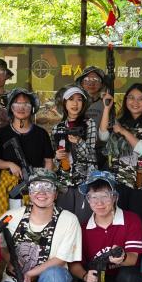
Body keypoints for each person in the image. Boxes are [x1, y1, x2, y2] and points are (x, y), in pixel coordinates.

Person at [99, 83, 142, 225]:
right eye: (131, 98)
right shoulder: (120, 121)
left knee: (139, 222)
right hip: (119, 180)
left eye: (141, 99)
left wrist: (124, 131)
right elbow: (103, 136)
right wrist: (107, 108)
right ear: (126, 100)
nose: (135, 102)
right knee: (119, 221)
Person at [0, 88, 55, 221]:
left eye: (26, 104)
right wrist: (9, 165)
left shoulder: (41, 134)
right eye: (17, 104)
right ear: (11, 108)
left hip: (34, 185)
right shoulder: (2, 133)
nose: (21, 108)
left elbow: (49, 162)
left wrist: (42, 181)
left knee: (32, 220)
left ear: (32, 108)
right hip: (7, 185)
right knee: (7, 221)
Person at [52, 85, 99, 220]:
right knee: (64, 219)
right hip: (64, 182)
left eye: (79, 100)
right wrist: (57, 157)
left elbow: (91, 154)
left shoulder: (89, 124)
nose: (75, 103)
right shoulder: (57, 128)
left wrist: (79, 142)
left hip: (84, 181)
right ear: (64, 103)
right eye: (71, 99)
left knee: (84, 219)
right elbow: (53, 158)